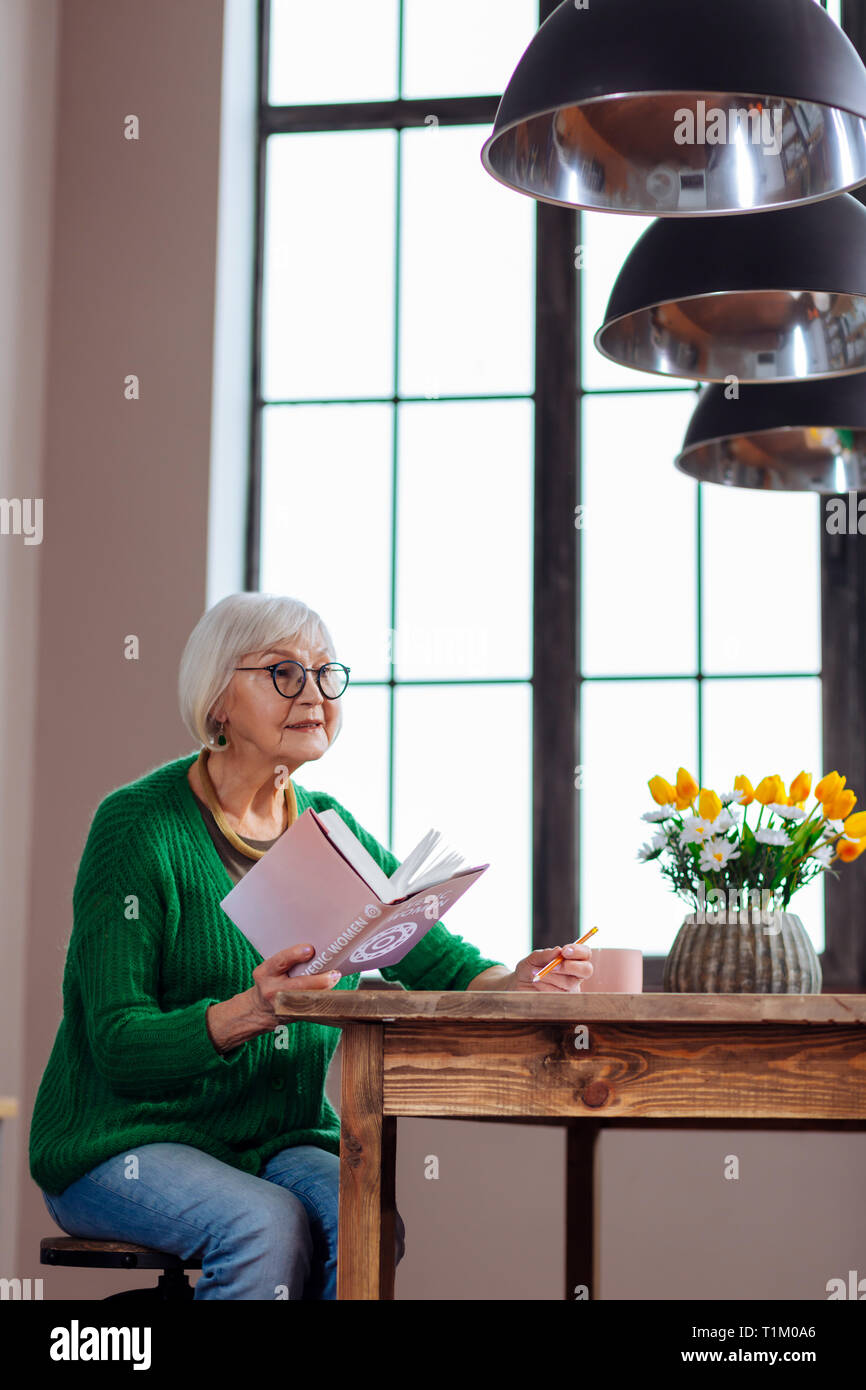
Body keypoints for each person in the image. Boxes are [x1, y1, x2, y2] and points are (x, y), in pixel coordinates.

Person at [30, 592, 593, 1299]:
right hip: (123, 1141)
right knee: (264, 1225)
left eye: (327, 674)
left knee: (362, 1217)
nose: (315, 694)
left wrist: (519, 981)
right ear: (218, 701)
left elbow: (437, 958)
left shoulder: (328, 825)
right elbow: (116, 1040)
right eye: (284, 673)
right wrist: (250, 1010)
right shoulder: (138, 827)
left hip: (273, 1138)